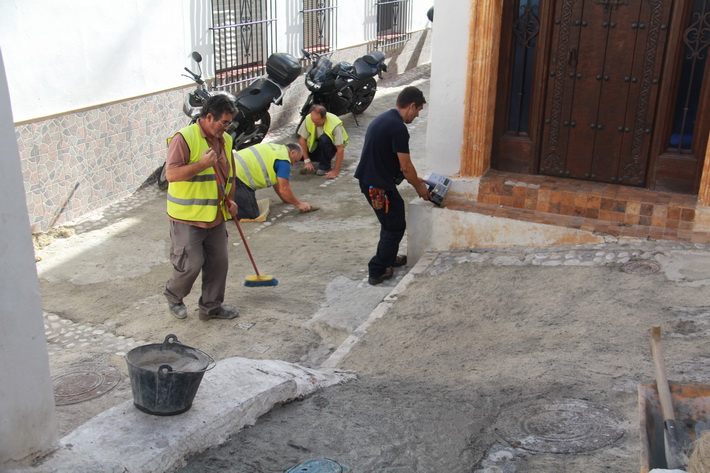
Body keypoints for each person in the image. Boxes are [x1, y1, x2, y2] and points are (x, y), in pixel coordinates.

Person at [163, 94, 240, 321]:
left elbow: (230, 175)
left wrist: (231, 200)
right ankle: (173, 295)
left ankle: (211, 308)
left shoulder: (226, 140)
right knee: (191, 264)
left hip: (215, 214)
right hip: (187, 216)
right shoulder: (184, 138)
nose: (226, 127)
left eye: (229, 123)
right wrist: (202, 165)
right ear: (208, 117)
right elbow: (171, 174)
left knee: (218, 264)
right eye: (223, 122)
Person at [354, 86, 431, 286]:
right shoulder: (398, 128)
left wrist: (415, 179)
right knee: (394, 226)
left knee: (390, 221)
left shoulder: (384, 118)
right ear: (411, 106)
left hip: (373, 181)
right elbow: (406, 166)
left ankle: (388, 257)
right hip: (377, 187)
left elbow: (389, 158)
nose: (417, 116)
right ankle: (378, 269)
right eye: (418, 110)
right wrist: (420, 188)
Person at [232, 142, 314, 218]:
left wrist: (285, 199)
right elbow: (284, 190)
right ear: (292, 152)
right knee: (251, 213)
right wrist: (299, 204)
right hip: (239, 176)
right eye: (295, 161)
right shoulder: (283, 161)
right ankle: (225, 212)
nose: (292, 164)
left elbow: (277, 183)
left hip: (230, 166)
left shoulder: (275, 148)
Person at [298, 104, 349, 179]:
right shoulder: (309, 118)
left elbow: (340, 149)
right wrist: (307, 161)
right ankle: (318, 157)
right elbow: (302, 140)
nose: (314, 123)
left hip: (329, 146)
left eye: (317, 121)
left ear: (324, 118)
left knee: (324, 139)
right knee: (296, 153)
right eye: (313, 121)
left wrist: (336, 171)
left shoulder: (335, 124)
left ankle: (325, 166)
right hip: (316, 146)